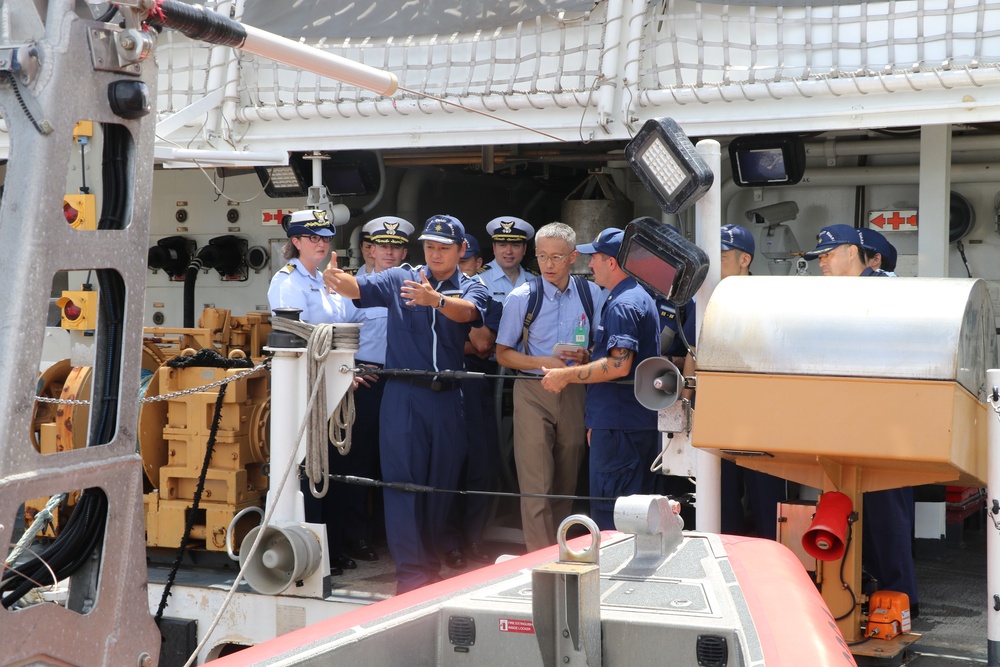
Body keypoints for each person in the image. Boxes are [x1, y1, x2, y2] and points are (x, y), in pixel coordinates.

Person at [323, 214, 489, 594]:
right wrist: (336, 279)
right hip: (403, 396)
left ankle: (429, 567)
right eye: (429, 246)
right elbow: (358, 287)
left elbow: (469, 313)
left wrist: (437, 299)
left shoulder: (472, 285)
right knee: (401, 487)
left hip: (448, 399)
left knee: (440, 487)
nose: (435, 253)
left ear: (461, 250)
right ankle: (411, 576)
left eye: (444, 248)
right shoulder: (401, 277)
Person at [803, 223, 918, 614]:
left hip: (884, 417)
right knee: (847, 506)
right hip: (844, 413)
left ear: (852, 253)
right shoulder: (832, 296)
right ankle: (860, 593)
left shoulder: (885, 288)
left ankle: (901, 597)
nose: (822, 263)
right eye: (820, 256)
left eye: (828, 254)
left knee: (887, 508)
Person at [540, 227, 661, 530]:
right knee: (636, 516)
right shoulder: (632, 296)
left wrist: (565, 376)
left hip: (620, 429)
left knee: (613, 520)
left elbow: (620, 366)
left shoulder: (623, 303)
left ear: (612, 263)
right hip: (627, 424)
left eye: (594, 257)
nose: (589, 264)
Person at [494, 223, 602, 551]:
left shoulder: (590, 293)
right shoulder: (522, 297)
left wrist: (585, 356)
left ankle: (560, 548)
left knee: (567, 478)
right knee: (536, 484)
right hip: (533, 391)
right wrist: (543, 363)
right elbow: (502, 353)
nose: (548, 264)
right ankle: (539, 560)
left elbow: (601, 346)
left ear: (572, 258)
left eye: (556, 256)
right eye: (542, 256)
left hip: (574, 390)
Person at [266, 208, 355, 575]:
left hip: (337, 381)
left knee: (336, 466)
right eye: (313, 238)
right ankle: (315, 548)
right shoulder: (288, 281)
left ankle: (337, 544)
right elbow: (295, 332)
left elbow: (349, 326)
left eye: (325, 238)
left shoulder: (329, 281)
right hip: (305, 384)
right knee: (309, 467)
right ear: (296, 242)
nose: (320, 244)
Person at [334, 216, 415, 564]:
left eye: (397, 247)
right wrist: (348, 371)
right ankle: (355, 536)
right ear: (369, 249)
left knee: (397, 461)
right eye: (384, 246)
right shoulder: (353, 290)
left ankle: (388, 534)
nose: (390, 253)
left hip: (403, 379)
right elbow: (336, 336)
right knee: (359, 460)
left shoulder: (415, 287)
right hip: (366, 381)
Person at [716, 224, 788, 540]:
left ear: (745, 259)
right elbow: (694, 350)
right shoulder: (706, 297)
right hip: (719, 414)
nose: (716, 261)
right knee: (720, 496)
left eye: (723, 255)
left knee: (766, 496)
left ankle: (773, 564)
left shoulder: (768, 298)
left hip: (761, 415)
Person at [442, 233, 503, 567]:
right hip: (443, 383)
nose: (460, 268)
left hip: (475, 384)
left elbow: (481, 345)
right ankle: (449, 541)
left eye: (465, 261)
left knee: (480, 465)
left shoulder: (487, 299)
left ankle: (473, 538)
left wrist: (447, 336)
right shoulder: (432, 293)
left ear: (478, 263)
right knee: (448, 466)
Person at [479, 216, 535, 303]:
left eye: (515, 245)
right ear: (494, 248)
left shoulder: (534, 280)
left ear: (524, 249)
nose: (509, 251)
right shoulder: (479, 280)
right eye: (503, 245)